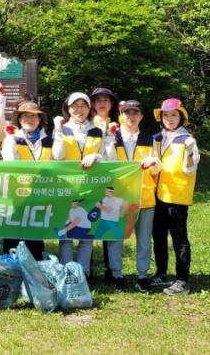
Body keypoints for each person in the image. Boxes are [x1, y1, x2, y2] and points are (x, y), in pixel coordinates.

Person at [149, 98, 200, 295]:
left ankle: (181, 280)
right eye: (166, 115)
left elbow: (189, 169)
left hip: (177, 197)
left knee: (179, 239)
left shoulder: (187, 139)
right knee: (159, 236)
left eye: (173, 115)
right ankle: (161, 273)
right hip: (157, 195)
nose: (169, 119)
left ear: (181, 117)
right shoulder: (157, 137)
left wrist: (189, 152)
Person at [105, 99, 157, 292]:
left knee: (144, 239)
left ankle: (142, 275)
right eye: (127, 112)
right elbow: (107, 162)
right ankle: (117, 274)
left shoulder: (150, 139)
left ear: (141, 116)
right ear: (121, 115)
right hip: (118, 196)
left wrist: (154, 163)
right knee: (116, 237)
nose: (131, 116)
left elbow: (157, 169)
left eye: (135, 112)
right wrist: (109, 141)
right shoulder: (113, 136)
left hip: (145, 197)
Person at [52, 92, 105, 278]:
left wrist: (96, 156)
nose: (79, 110)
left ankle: (84, 273)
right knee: (66, 234)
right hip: (67, 187)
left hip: (91, 187)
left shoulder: (97, 131)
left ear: (89, 108)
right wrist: (58, 132)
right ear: (68, 109)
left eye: (83, 105)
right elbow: (57, 156)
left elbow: (106, 157)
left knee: (86, 233)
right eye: (75, 106)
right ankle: (66, 272)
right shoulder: (62, 128)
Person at [0, 93, 51, 260]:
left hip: (39, 197)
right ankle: (10, 269)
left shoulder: (48, 140)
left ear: (40, 119)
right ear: (19, 119)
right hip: (17, 196)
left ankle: (35, 268)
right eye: (26, 116)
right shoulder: (12, 139)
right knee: (13, 237)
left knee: (35, 237)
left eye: (34, 116)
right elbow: (10, 163)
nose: (30, 119)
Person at [90, 87, 121, 283]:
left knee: (109, 223)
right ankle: (88, 269)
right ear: (92, 104)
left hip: (111, 181)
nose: (102, 103)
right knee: (89, 223)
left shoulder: (119, 125)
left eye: (106, 100)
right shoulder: (86, 124)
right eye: (98, 100)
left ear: (112, 104)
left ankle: (112, 270)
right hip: (89, 180)